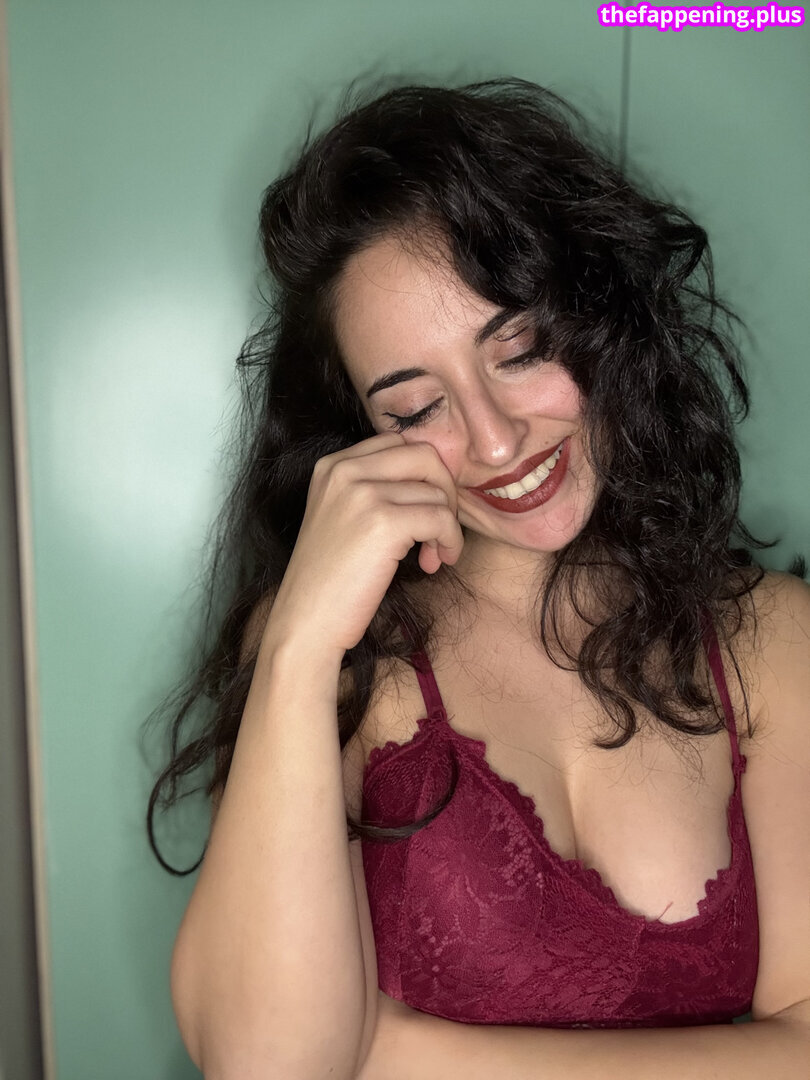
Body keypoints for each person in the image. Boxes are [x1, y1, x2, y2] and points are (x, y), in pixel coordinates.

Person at [146, 76, 810, 1080]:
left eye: (522, 350)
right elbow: (268, 1065)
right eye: (417, 408)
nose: (497, 442)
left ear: (601, 316)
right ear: (362, 437)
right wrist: (296, 646)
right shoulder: (333, 656)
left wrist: (390, 1053)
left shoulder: (773, 638)